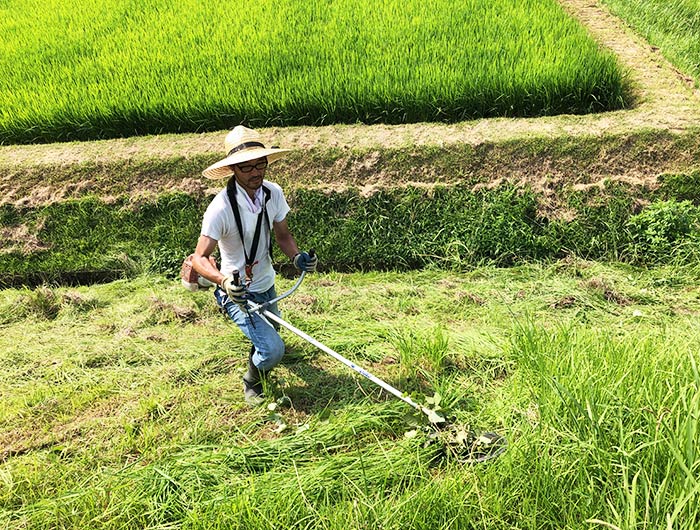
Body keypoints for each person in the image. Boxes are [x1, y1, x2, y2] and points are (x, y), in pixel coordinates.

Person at [191, 125, 318, 405]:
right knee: (273, 351)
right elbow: (199, 259)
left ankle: (261, 347)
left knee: (275, 333)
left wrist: (297, 257)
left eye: (259, 164)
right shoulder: (221, 208)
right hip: (237, 292)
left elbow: (283, 236)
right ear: (233, 169)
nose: (255, 172)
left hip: (266, 281)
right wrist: (224, 282)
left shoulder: (273, 193)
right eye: (246, 167)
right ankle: (252, 380)